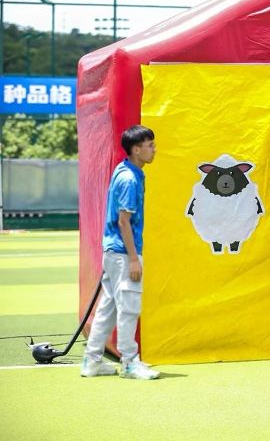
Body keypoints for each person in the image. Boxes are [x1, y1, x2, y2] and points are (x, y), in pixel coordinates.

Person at [80, 125, 160, 380]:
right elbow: (124, 221)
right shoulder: (129, 179)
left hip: (115, 253)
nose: (154, 150)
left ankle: (92, 361)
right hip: (124, 254)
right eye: (150, 145)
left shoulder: (126, 171)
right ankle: (129, 363)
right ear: (136, 149)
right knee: (129, 307)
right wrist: (134, 259)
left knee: (109, 308)